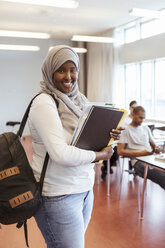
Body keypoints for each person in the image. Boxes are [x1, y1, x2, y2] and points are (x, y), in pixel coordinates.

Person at [28, 45, 121, 248]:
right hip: (58, 195)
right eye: (61, 70)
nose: (68, 76)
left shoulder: (80, 101)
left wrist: (108, 137)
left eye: (73, 70)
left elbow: (83, 141)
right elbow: (60, 153)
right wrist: (99, 154)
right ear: (49, 71)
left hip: (84, 189)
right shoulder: (44, 102)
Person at [117, 106, 165, 190]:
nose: (142, 120)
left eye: (144, 118)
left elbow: (154, 145)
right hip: (138, 162)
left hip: (151, 158)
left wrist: (156, 149)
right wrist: (142, 153)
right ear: (133, 115)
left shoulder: (145, 128)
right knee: (161, 177)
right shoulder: (126, 130)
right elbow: (120, 151)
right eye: (140, 118)